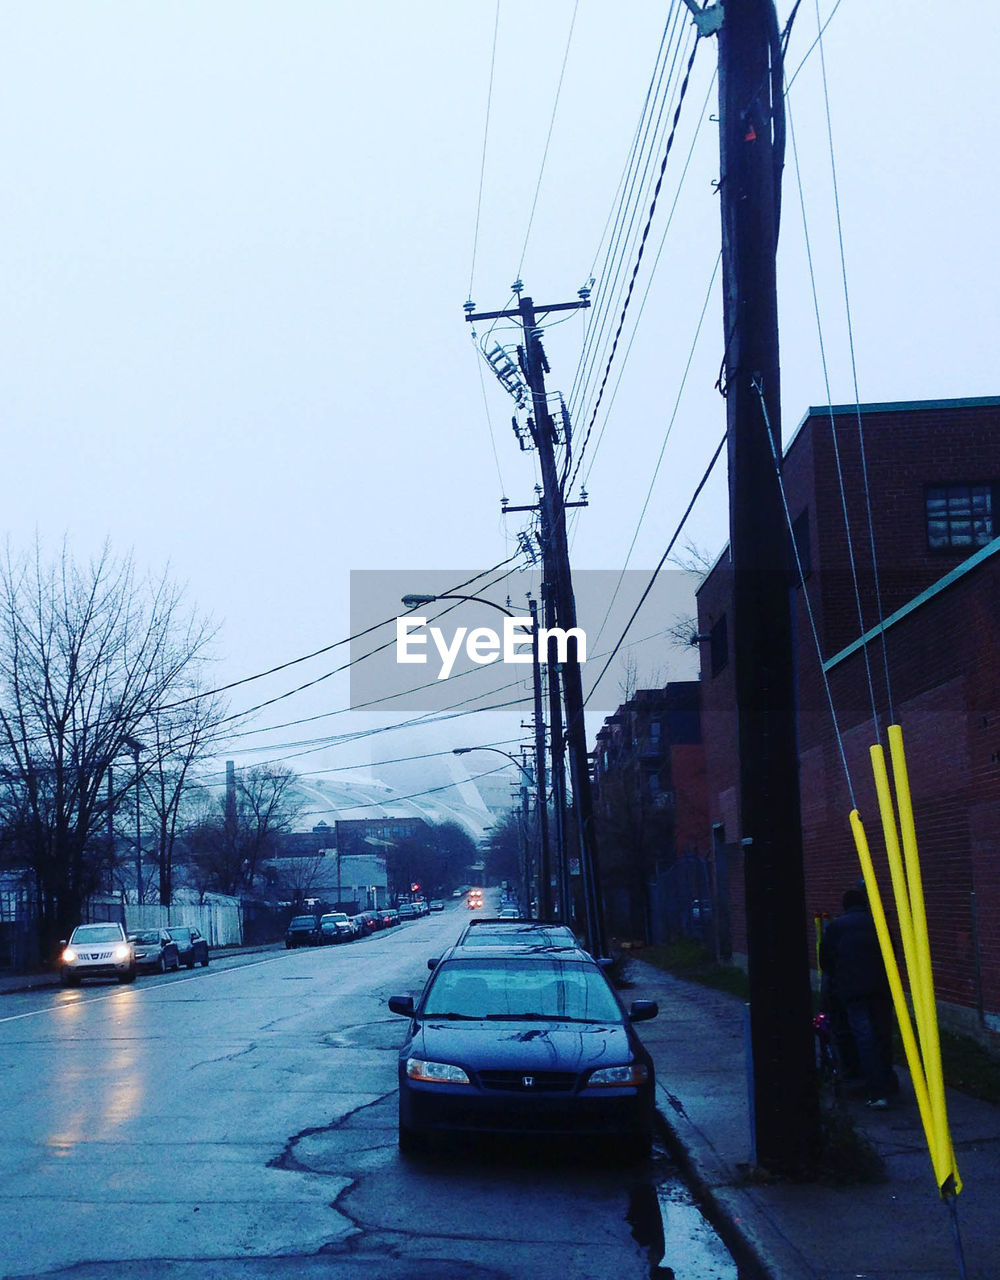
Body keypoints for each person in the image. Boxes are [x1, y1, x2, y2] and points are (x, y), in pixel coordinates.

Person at [819, 887, 899, 1108]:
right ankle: (888, 1080)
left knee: (865, 1038)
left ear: (845, 906)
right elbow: (894, 952)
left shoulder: (836, 927)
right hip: (881, 990)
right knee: (883, 1034)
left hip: (853, 992)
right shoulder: (879, 924)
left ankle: (876, 1091)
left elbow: (825, 960)